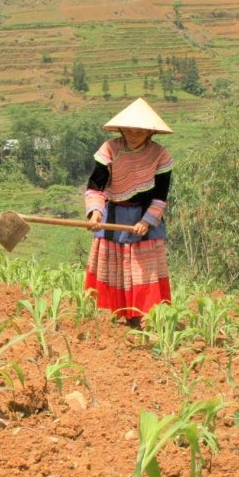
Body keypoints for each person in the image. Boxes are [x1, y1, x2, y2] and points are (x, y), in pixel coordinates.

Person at [84, 98, 174, 328]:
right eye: (129, 130)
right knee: (113, 269)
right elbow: (96, 186)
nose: (134, 134)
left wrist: (147, 221)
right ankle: (116, 315)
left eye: (140, 130)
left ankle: (140, 317)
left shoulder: (160, 156)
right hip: (113, 216)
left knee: (141, 272)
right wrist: (95, 214)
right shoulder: (109, 149)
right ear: (122, 129)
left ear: (150, 132)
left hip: (144, 221)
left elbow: (160, 196)